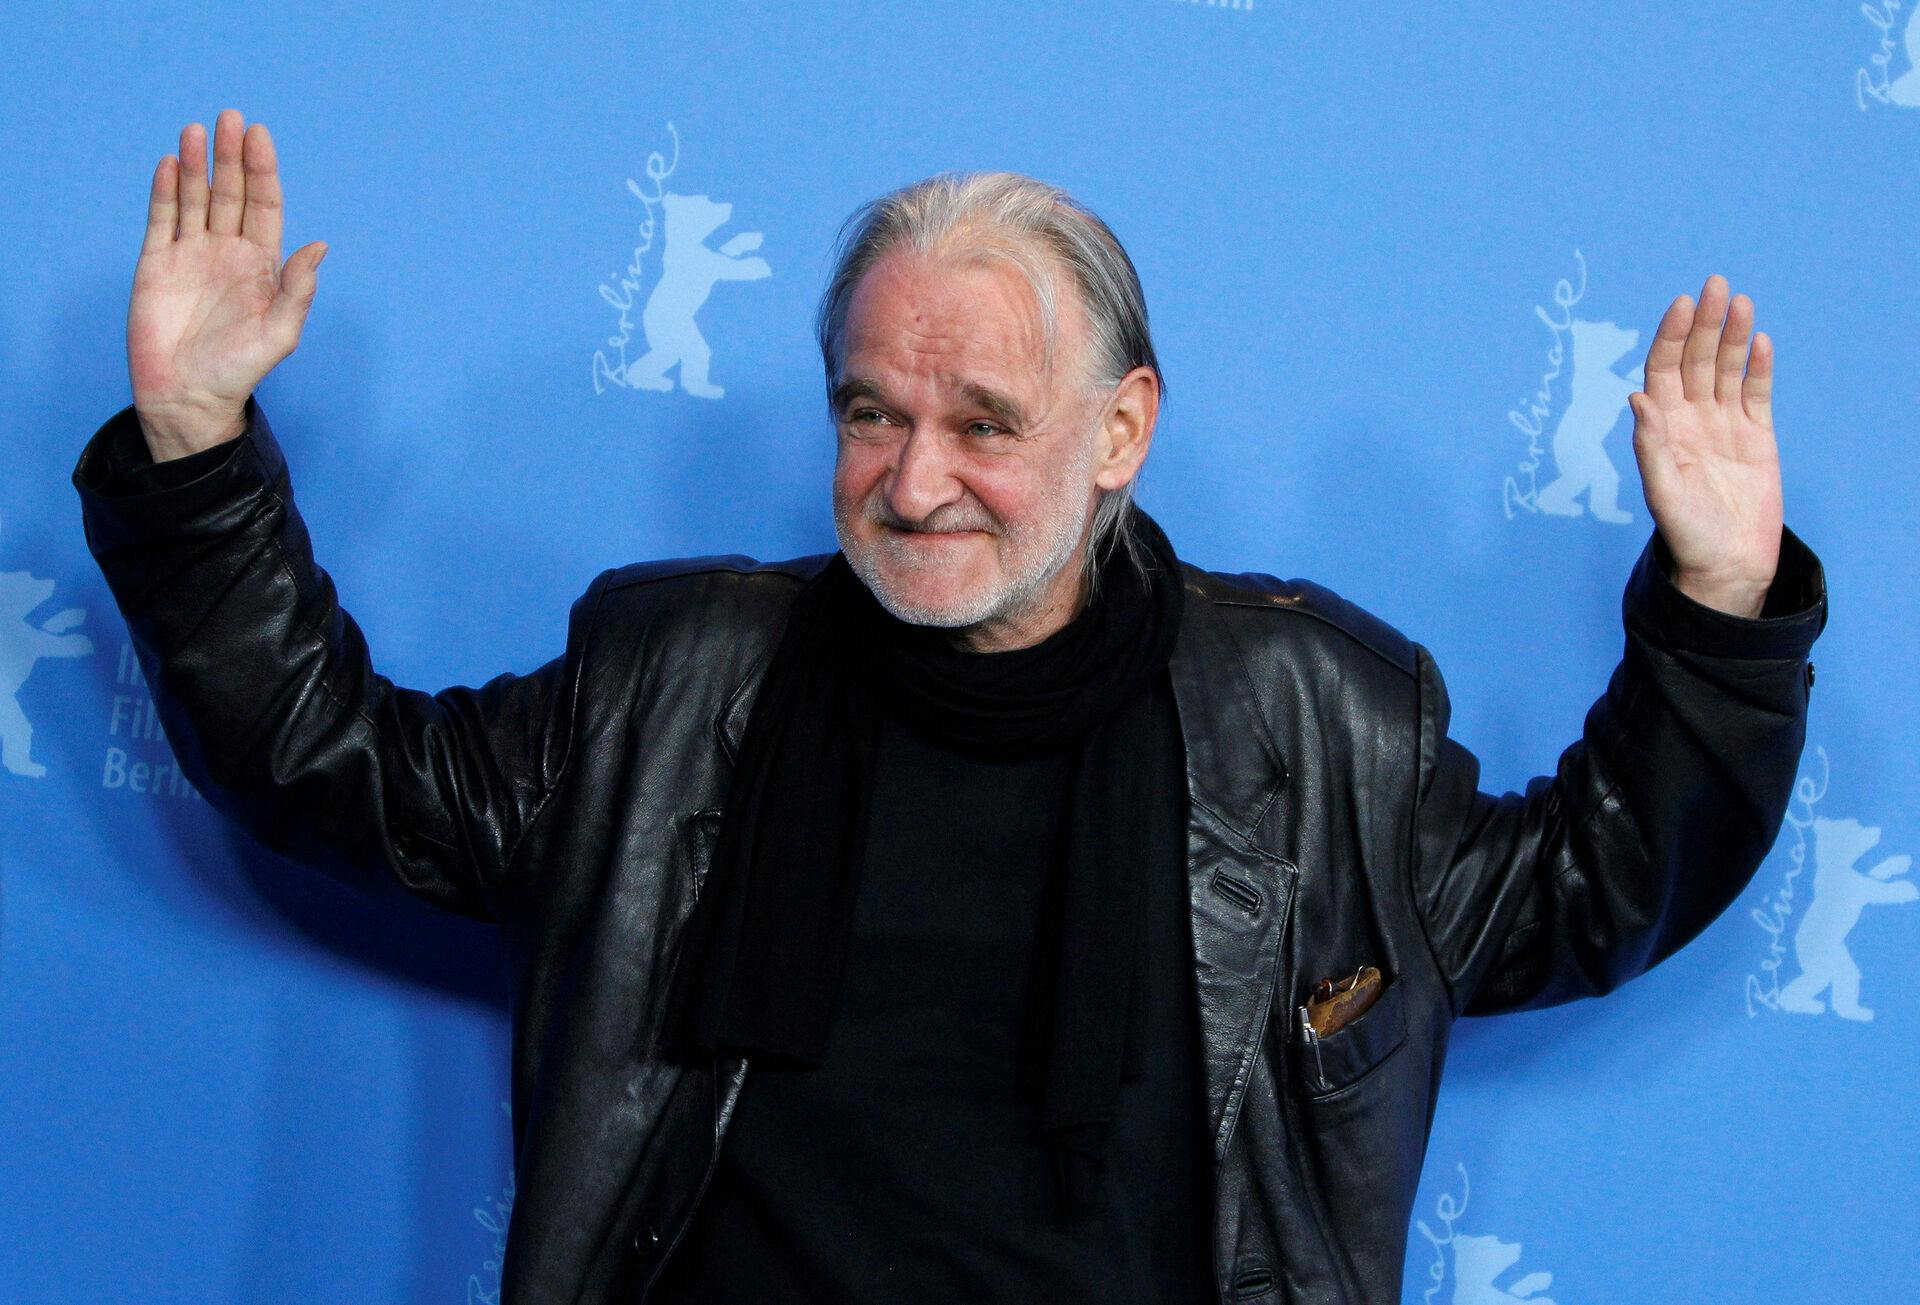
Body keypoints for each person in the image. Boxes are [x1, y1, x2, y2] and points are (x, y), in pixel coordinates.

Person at [73, 109, 1827, 1305]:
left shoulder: (1315, 716)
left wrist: (1723, 606)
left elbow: (1588, 887)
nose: (914, 483)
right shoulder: (667, 679)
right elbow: (332, 766)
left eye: (984, 422)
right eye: (867, 414)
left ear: (1119, 433)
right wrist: (195, 446)